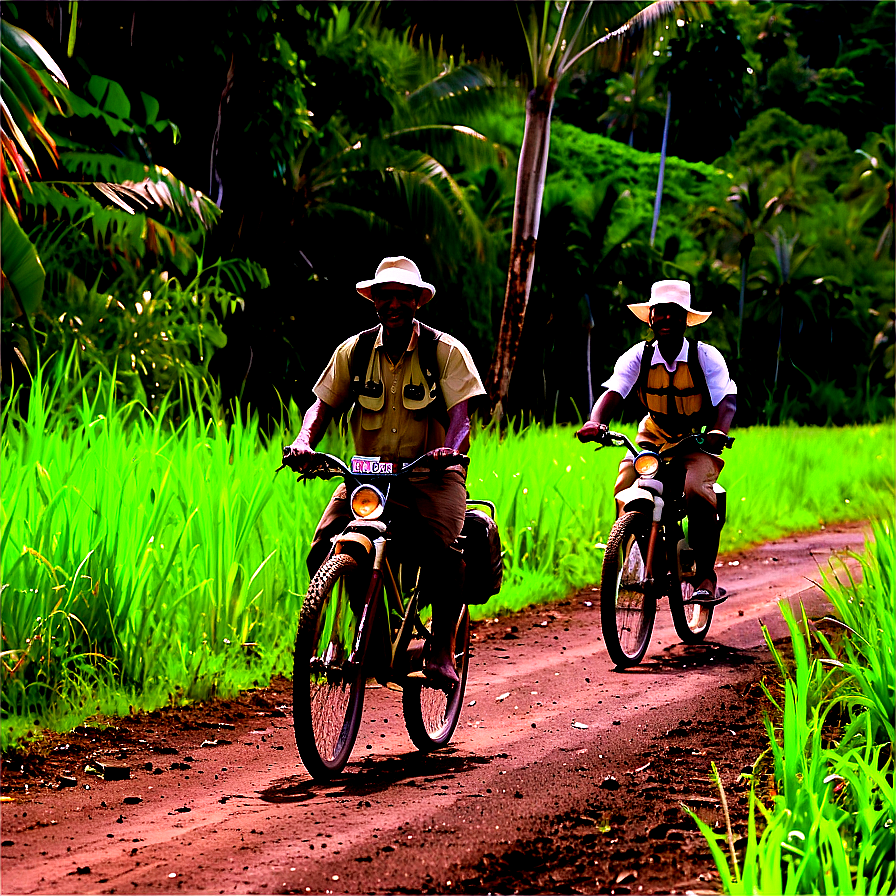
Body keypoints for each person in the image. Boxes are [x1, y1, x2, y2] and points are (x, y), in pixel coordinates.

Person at [285, 256, 486, 687]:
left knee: (443, 552)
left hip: (429, 474)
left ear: (417, 301)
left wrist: (448, 451)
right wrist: (304, 442)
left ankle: (442, 651)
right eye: (385, 296)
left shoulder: (444, 351)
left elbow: (462, 418)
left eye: (403, 296)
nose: (393, 304)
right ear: (373, 301)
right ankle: (360, 635)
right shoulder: (354, 351)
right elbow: (322, 405)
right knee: (324, 547)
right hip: (368, 475)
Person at [576, 280, 736, 603]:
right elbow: (612, 393)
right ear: (650, 318)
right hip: (653, 435)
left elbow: (727, 401)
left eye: (673, 314)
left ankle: (705, 574)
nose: (665, 320)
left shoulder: (705, 357)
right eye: (659, 314)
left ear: (685, 319)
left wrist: (718, 431)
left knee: (695, 488)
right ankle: (641, 560)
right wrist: (596, 422)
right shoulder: (639, 356)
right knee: (625, 485)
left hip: (696, 440)